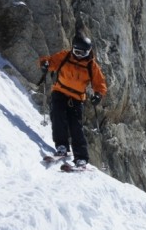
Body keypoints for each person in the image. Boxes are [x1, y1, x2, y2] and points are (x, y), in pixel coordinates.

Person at [38, 32, 107, 167]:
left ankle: (81, 157)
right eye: (77, 52)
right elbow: (51, 62)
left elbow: (100, 83)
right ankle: (62, 146)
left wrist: (98, 94)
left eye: (84, 54)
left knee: (76, 126)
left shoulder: (91, 65)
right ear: (72, 49)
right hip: (60, 91)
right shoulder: (65, 56)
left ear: (89, 52)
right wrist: (44, 64)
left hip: (76, 98)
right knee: (58, 117)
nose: (80, 56)